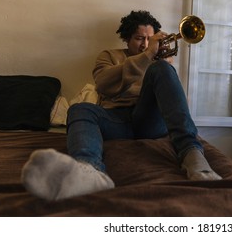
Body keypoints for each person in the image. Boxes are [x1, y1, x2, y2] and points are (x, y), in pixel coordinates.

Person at [21, 10, 221, 201]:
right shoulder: (109, 56)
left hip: (148, 121)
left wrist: (165, 67)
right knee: (79, 108)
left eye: (149, 39)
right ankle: (89, 172)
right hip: (115, 120)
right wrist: (147, 56)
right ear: (126, 38)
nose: (144, 45)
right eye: (139, 38)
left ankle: (192, 154)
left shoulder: (160, 63)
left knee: (161, 68)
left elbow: (178, 108)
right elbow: (103, 84)